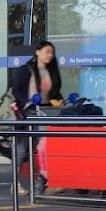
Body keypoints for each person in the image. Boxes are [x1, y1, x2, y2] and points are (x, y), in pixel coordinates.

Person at [9, 40, 64, 192]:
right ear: (37, 52)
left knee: (44, 147)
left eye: (52, 53)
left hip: (46, 113)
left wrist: (58, 100)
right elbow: (17, 91)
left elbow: (54, 92)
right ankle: (15, 184)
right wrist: (26, 103)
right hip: (28, 113)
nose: (50, 55)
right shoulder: (25, 70)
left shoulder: (51, 71)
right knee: (22, 148)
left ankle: (47, 181)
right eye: (47, 51)